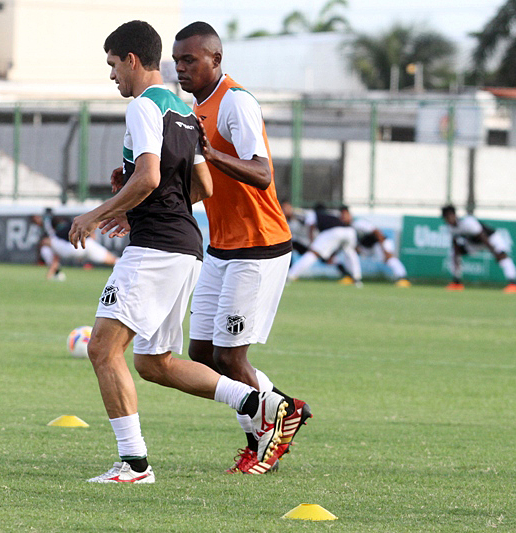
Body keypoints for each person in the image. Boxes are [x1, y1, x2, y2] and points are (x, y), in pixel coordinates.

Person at [68, 20, 290, 484]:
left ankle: (133, 464)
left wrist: (97, 213)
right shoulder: (184, 111)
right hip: (187, 247)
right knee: (155, 363)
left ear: (131, 60)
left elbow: (149, 177)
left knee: (103, 349)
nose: (112, 76)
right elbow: (202, 184)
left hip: (156, 249)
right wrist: (138, 205)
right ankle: (254, 401)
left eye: (112, 65)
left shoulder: (146, 108)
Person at [173, 21, 310, 475]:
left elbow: (262, 172)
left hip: (260, 246)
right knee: (202, 353)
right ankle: (284, 409)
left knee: (232, 357)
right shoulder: (197, 109)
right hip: (222, 247)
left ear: (216, 59)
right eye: (177, 62)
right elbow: (206, 187)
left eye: (189, 60)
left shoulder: (235, 102)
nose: (181, 69)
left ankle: (262, 442)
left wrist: (211, 155)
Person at [440, 205, 516, 293]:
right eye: (446, 217)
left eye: (450, 216)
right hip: (474, 244)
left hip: (490, 238)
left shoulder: (468, 222)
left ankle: (513, 284)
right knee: (453, 253)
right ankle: (456, 282)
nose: (449, 219)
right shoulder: (451, 228)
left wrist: (494, 253)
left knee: (502, 256)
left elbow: (483, 237)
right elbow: (455, 247)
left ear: (455, 215)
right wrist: (456, 260)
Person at [31, 209, 118, 281]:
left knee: (45, 244)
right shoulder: (66, 223)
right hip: (85, 245)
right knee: (113, 260)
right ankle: (55, 271)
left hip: (72, 246)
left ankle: (55, 271)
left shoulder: (55, 225)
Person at [287, 204, 362, 286]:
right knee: (350, 253)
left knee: (312, 254)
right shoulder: (332, 213)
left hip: (333, 231)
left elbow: (311, 226)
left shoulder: (313, 213)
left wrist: (311, 242)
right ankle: (357, 278)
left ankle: (290, 276)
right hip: (349, 232)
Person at [347, 207, 411, 287]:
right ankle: (351, 276)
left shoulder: (358, 224)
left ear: (349, 215)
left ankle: (403, 278)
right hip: (369, 247)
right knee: (349, 253)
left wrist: (384, 249)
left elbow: (377, 232)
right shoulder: (348, 229)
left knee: (389, 259)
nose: (343, 218)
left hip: (380, 242)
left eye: (345, 215)